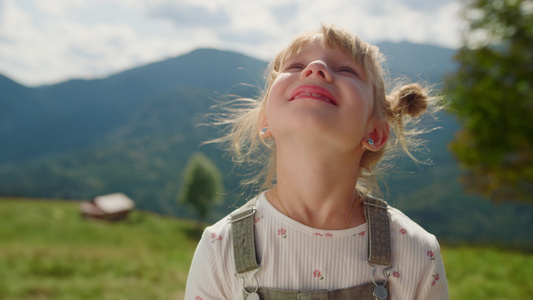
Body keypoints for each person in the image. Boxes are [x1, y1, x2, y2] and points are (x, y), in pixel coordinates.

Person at [185, 24, 449, 299]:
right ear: (266, 121)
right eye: (296, 65)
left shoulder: (417, 252)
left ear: (375, 132)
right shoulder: (219, 249)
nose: (315, 67)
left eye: (346, 70)